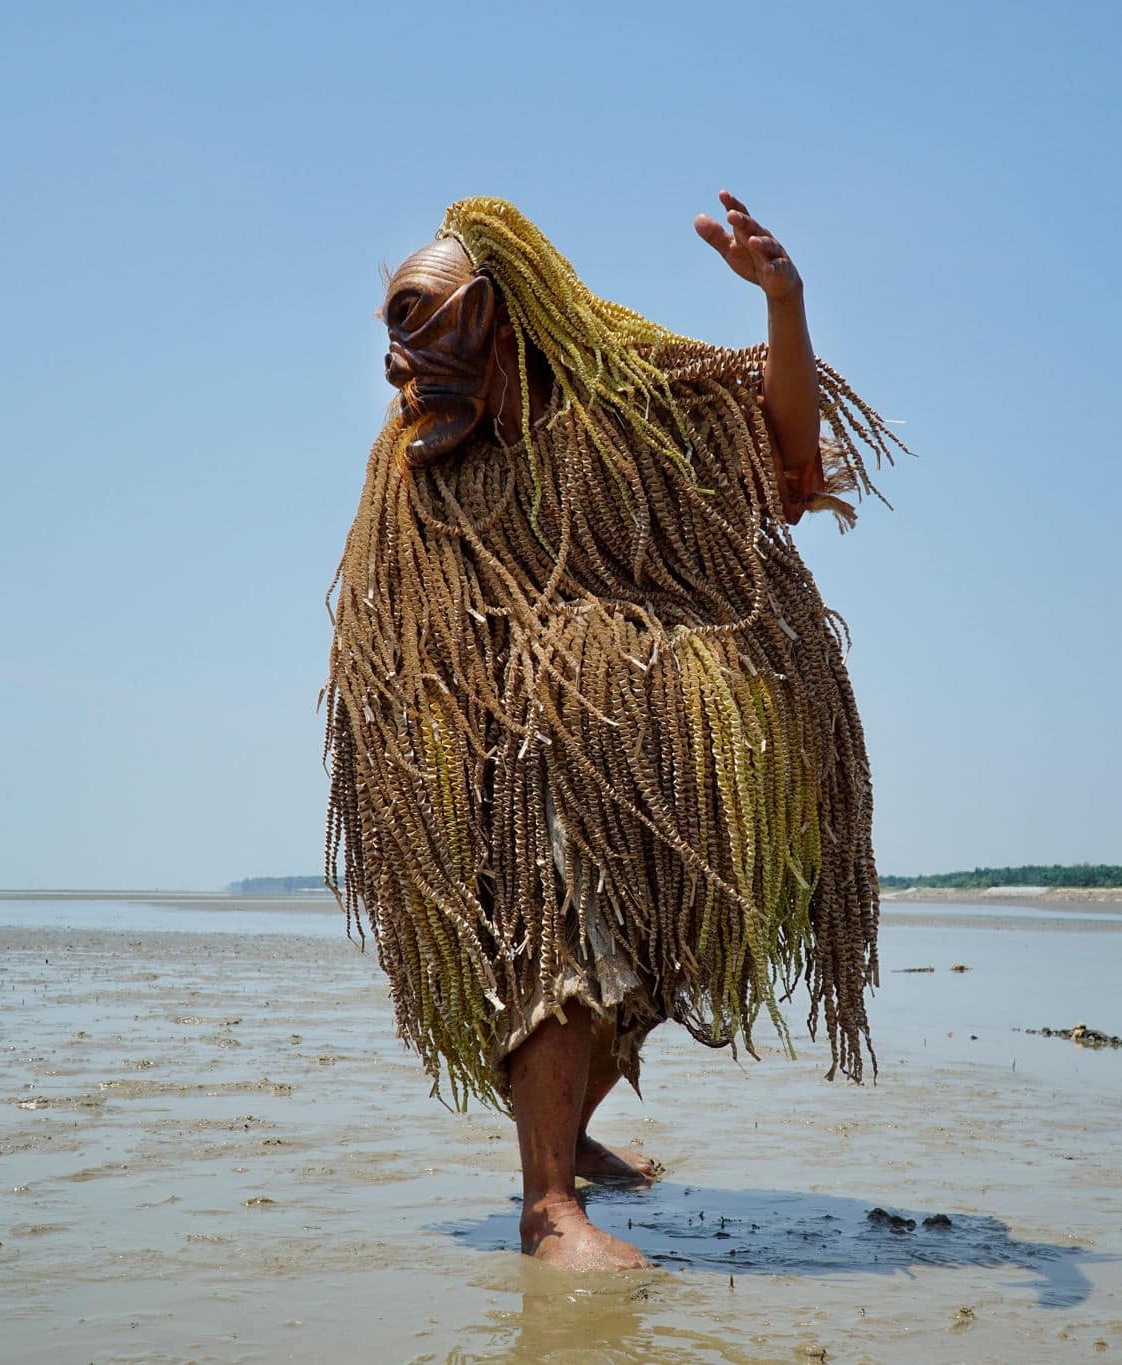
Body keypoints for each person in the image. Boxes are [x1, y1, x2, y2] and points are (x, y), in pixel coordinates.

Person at [323, 192, 905, 1271]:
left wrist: (783, 303)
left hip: (637, 749)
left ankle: (567, 1137)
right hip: (519, 754)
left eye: (421, 318)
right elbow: (387, 631)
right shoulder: (412, 470)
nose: (400, 361)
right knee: (561, 933)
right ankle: (547, 1207)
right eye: (392, 335)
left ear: (498, 311)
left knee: (650, 950)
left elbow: (781, 471)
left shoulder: (621, 415)